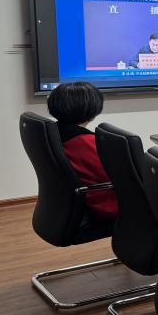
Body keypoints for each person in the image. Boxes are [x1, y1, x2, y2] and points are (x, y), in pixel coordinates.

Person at [46, 81, 118, 220]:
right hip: (103, 203)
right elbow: (119, 176)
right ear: (93, 110)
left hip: (67, 202)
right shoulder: (87, 143)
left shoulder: (52, 133)